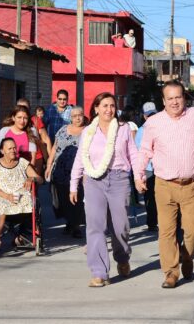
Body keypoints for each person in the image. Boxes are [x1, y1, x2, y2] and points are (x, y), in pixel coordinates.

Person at [138, 80, 194, 289]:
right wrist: (139, 175)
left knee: (193, 231)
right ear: (163, 101)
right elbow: (145, 150)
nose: (175, 102)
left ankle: (186, 255)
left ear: (185, 98)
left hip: (191, 185)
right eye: (170, 98)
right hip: (164, 184)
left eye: (178, 97)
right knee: (166, 231)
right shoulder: (154, 123)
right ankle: (171, 273)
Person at [70, 93, 143, 287]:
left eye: (112, 106)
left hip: (119, 180)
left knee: (120, 227)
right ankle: (99, 272)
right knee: (95, 226)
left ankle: (122, 257)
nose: (108, 109)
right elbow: (80, 158)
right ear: (96, 108)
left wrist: (138, 177)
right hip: (94, 181)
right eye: (104, 105)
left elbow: (133, 155)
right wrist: (73, 184)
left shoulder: (124, 129)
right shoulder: (88, 132)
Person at [0, 137, 41, 248]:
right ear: (2, 151)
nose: (13, 150)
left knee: (29, 201)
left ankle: (21, 236)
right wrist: (6, 196)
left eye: (14, 148)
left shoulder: (22, 162)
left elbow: (40, 179)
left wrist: (32, 179)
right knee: (0, 203)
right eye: (9, 148)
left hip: (19, 195)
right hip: (0, 194)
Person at [45, 106, 86, 238]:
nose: (77, 118)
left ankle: (76, 226)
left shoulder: (88, 131)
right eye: (74, 116)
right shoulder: (63, 129)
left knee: (77, 199)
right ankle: (70, 222)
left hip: (79, 172)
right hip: (60, 171)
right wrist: (49, 165)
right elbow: (54, 148)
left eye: (80, 115)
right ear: (70, 118)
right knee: (63, 199)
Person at [0, 106, 38, 171]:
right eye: (19, 117)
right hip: (5, 169)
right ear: (13, 118)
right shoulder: (4, 131)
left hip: (24, 170)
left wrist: (31, 173)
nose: (22, 121)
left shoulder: (31, 131)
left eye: (25, 118)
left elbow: (33, 155)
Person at [136, 102, 159, 232]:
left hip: (162, 168)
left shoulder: (162, 127)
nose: (151, 117)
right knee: (150, 197)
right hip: (149, 169)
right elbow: (139, 152)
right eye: (149, 115)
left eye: (153, 114)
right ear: (145, 116)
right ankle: (152, 223)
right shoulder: (140, 131)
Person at [17, 98, 50, 170]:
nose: (22, 110)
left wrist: (49, 161)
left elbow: (46, 139)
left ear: (29, 109)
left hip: (37, 159)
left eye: (25, 108)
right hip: (18, 158)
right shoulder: (13, 121)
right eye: (19, 108)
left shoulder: (35, 120)